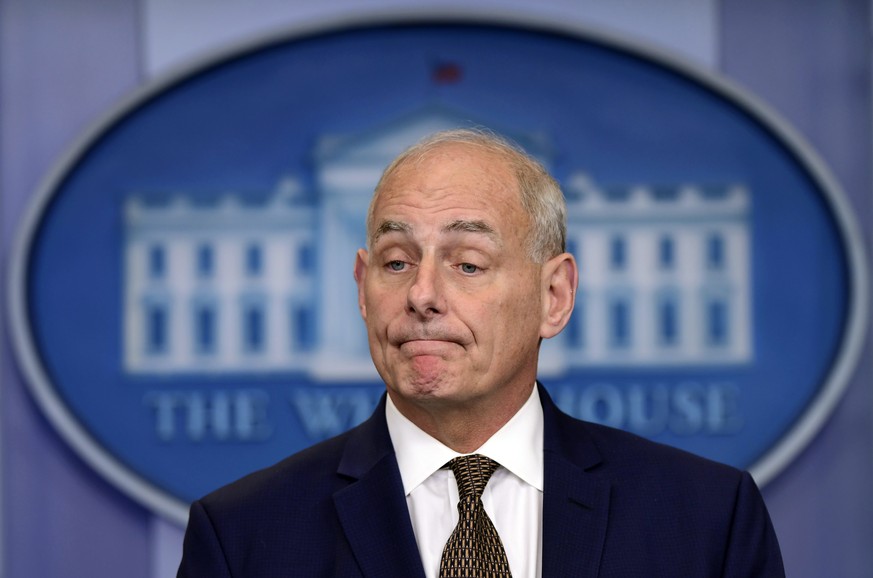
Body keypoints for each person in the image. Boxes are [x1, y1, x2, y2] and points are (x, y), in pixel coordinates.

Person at [177, 128, 785, 577]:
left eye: (467, 264)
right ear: (362, 288)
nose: (421, 295)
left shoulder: (707, 519)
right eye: (396, 262)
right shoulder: (243, 536)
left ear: (554, 295)